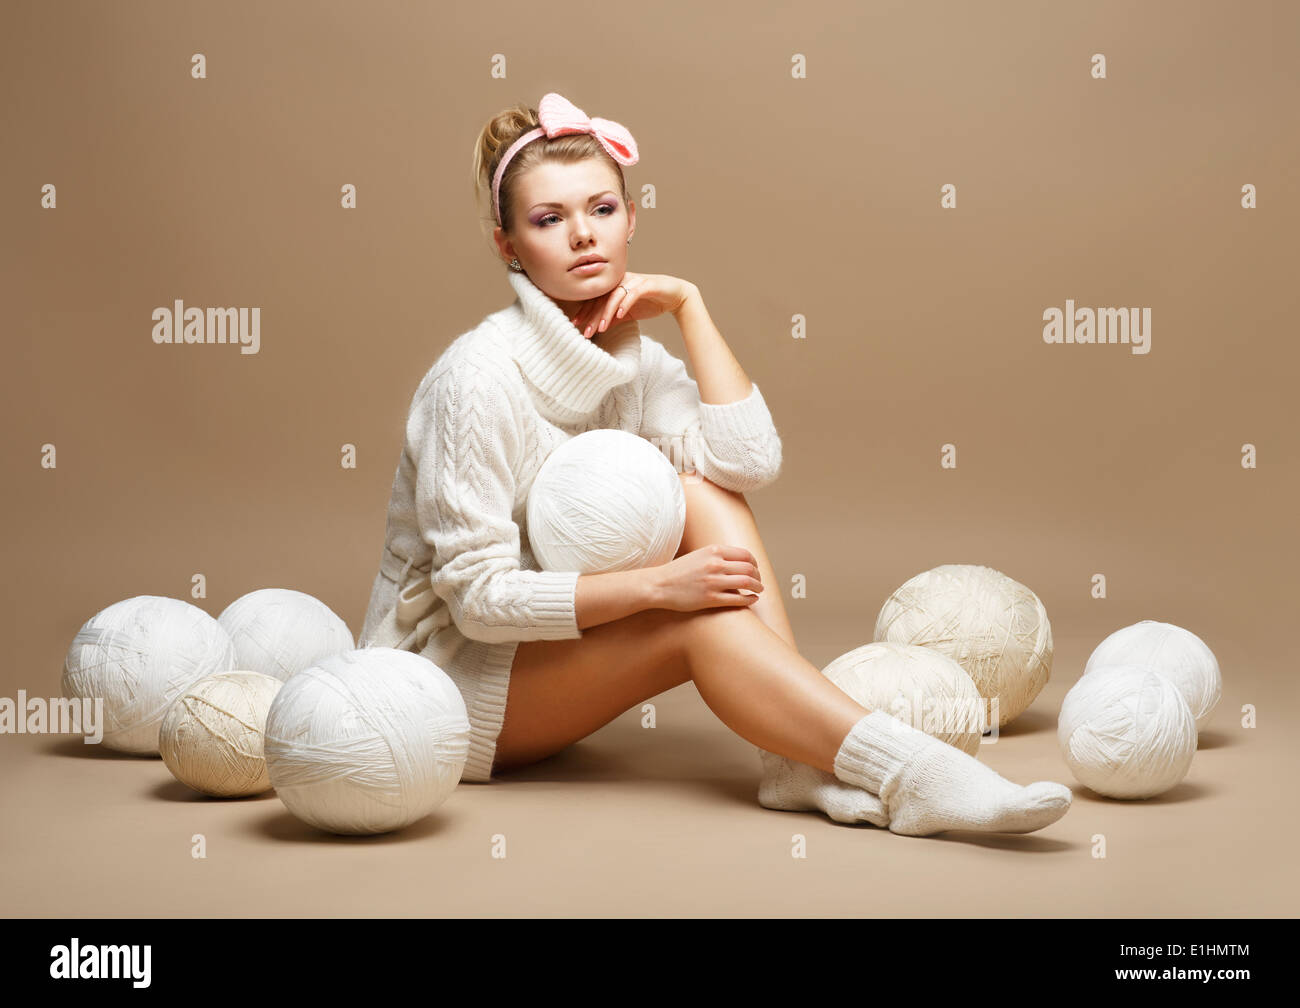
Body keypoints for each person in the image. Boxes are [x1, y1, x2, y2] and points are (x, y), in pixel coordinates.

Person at [359, 92, 1073, 837]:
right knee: (700, 623)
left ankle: (802, 760)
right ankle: (911, 773)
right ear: (508, 245)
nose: (582, 236)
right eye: (548, 220)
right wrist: (657, 589)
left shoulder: (637, 363)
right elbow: (476, 602)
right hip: (447, 687)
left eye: (602, 210)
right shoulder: (475, 380)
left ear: (632, 220)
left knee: (701, 486)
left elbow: (748, 464)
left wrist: (689, 306)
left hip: (544, 660)